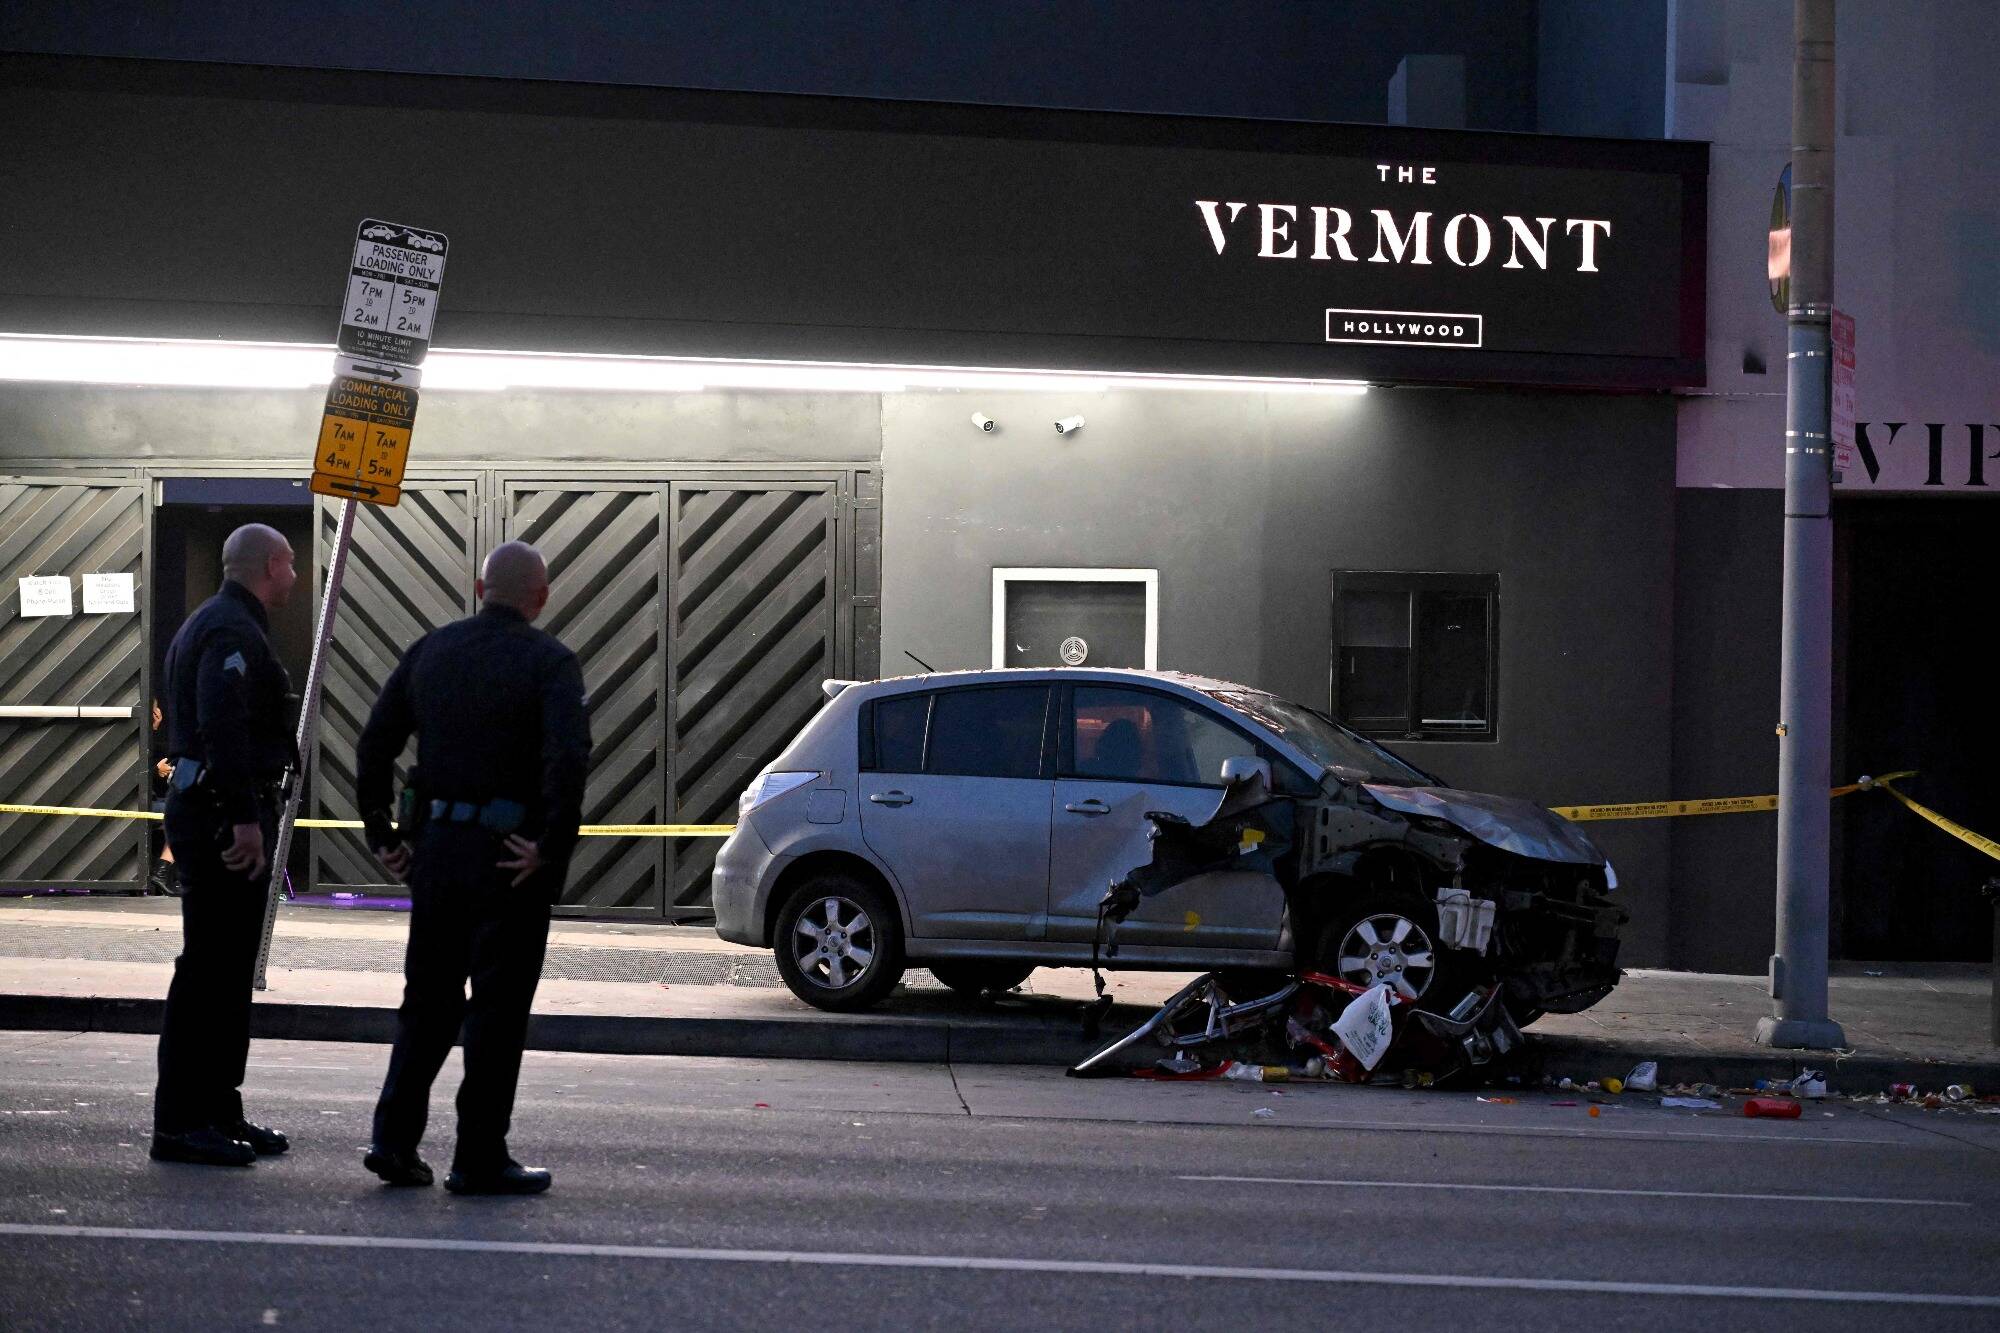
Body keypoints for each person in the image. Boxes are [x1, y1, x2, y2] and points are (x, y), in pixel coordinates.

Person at [356, 540, 589, 1195]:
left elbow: (374, 743)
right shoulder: (551, 663)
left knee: (425, 1003)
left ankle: (393, 1141)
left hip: (436, 854)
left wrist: (384, 834)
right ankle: (479, 1154)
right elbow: (567, 761)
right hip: (507, 860)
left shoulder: (432, 649)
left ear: (481, 585)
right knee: (497, 1009)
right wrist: (549, 845)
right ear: (540, 596)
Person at [151, 523, 298, 1167]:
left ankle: (217, 1110)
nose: (296, 574)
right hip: (218, 815)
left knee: (229, 970)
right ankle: (182, 1124)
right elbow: (221, 720)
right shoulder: (231, 629)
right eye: (291, 563)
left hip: (213, 808)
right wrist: (243, 818)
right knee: (210, 970)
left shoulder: (217, 621)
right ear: (270, 565)